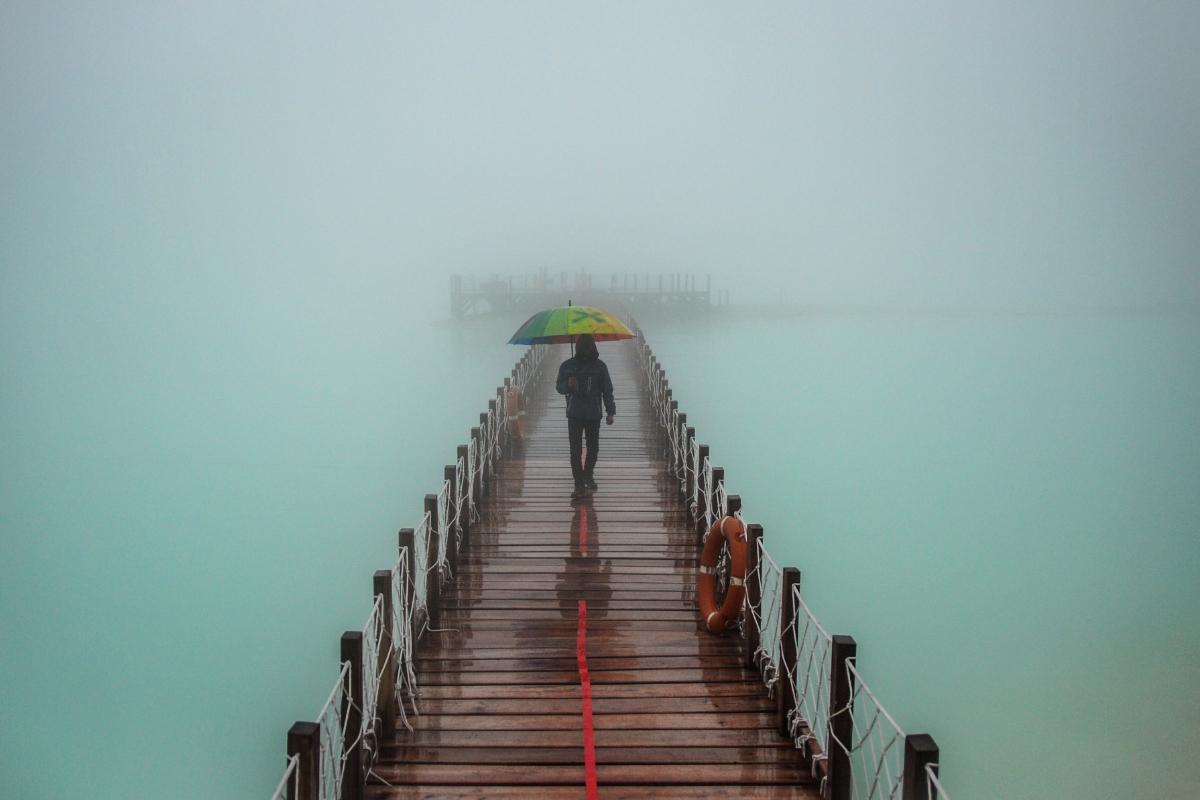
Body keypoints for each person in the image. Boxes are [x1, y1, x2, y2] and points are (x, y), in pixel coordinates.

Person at [555, 334, 615, 500]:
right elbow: (559, 387)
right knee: (575, 451)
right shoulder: (567, 366)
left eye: (589, 348)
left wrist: (610, 412)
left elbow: (607, 390)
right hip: (574, 413)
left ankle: (588, 474)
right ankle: (578, 484)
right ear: (577, 348)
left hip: (593, 414)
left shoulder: (600, 367)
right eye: (584, 348)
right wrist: (568, 384)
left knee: (593, 448)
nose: (586, 351)